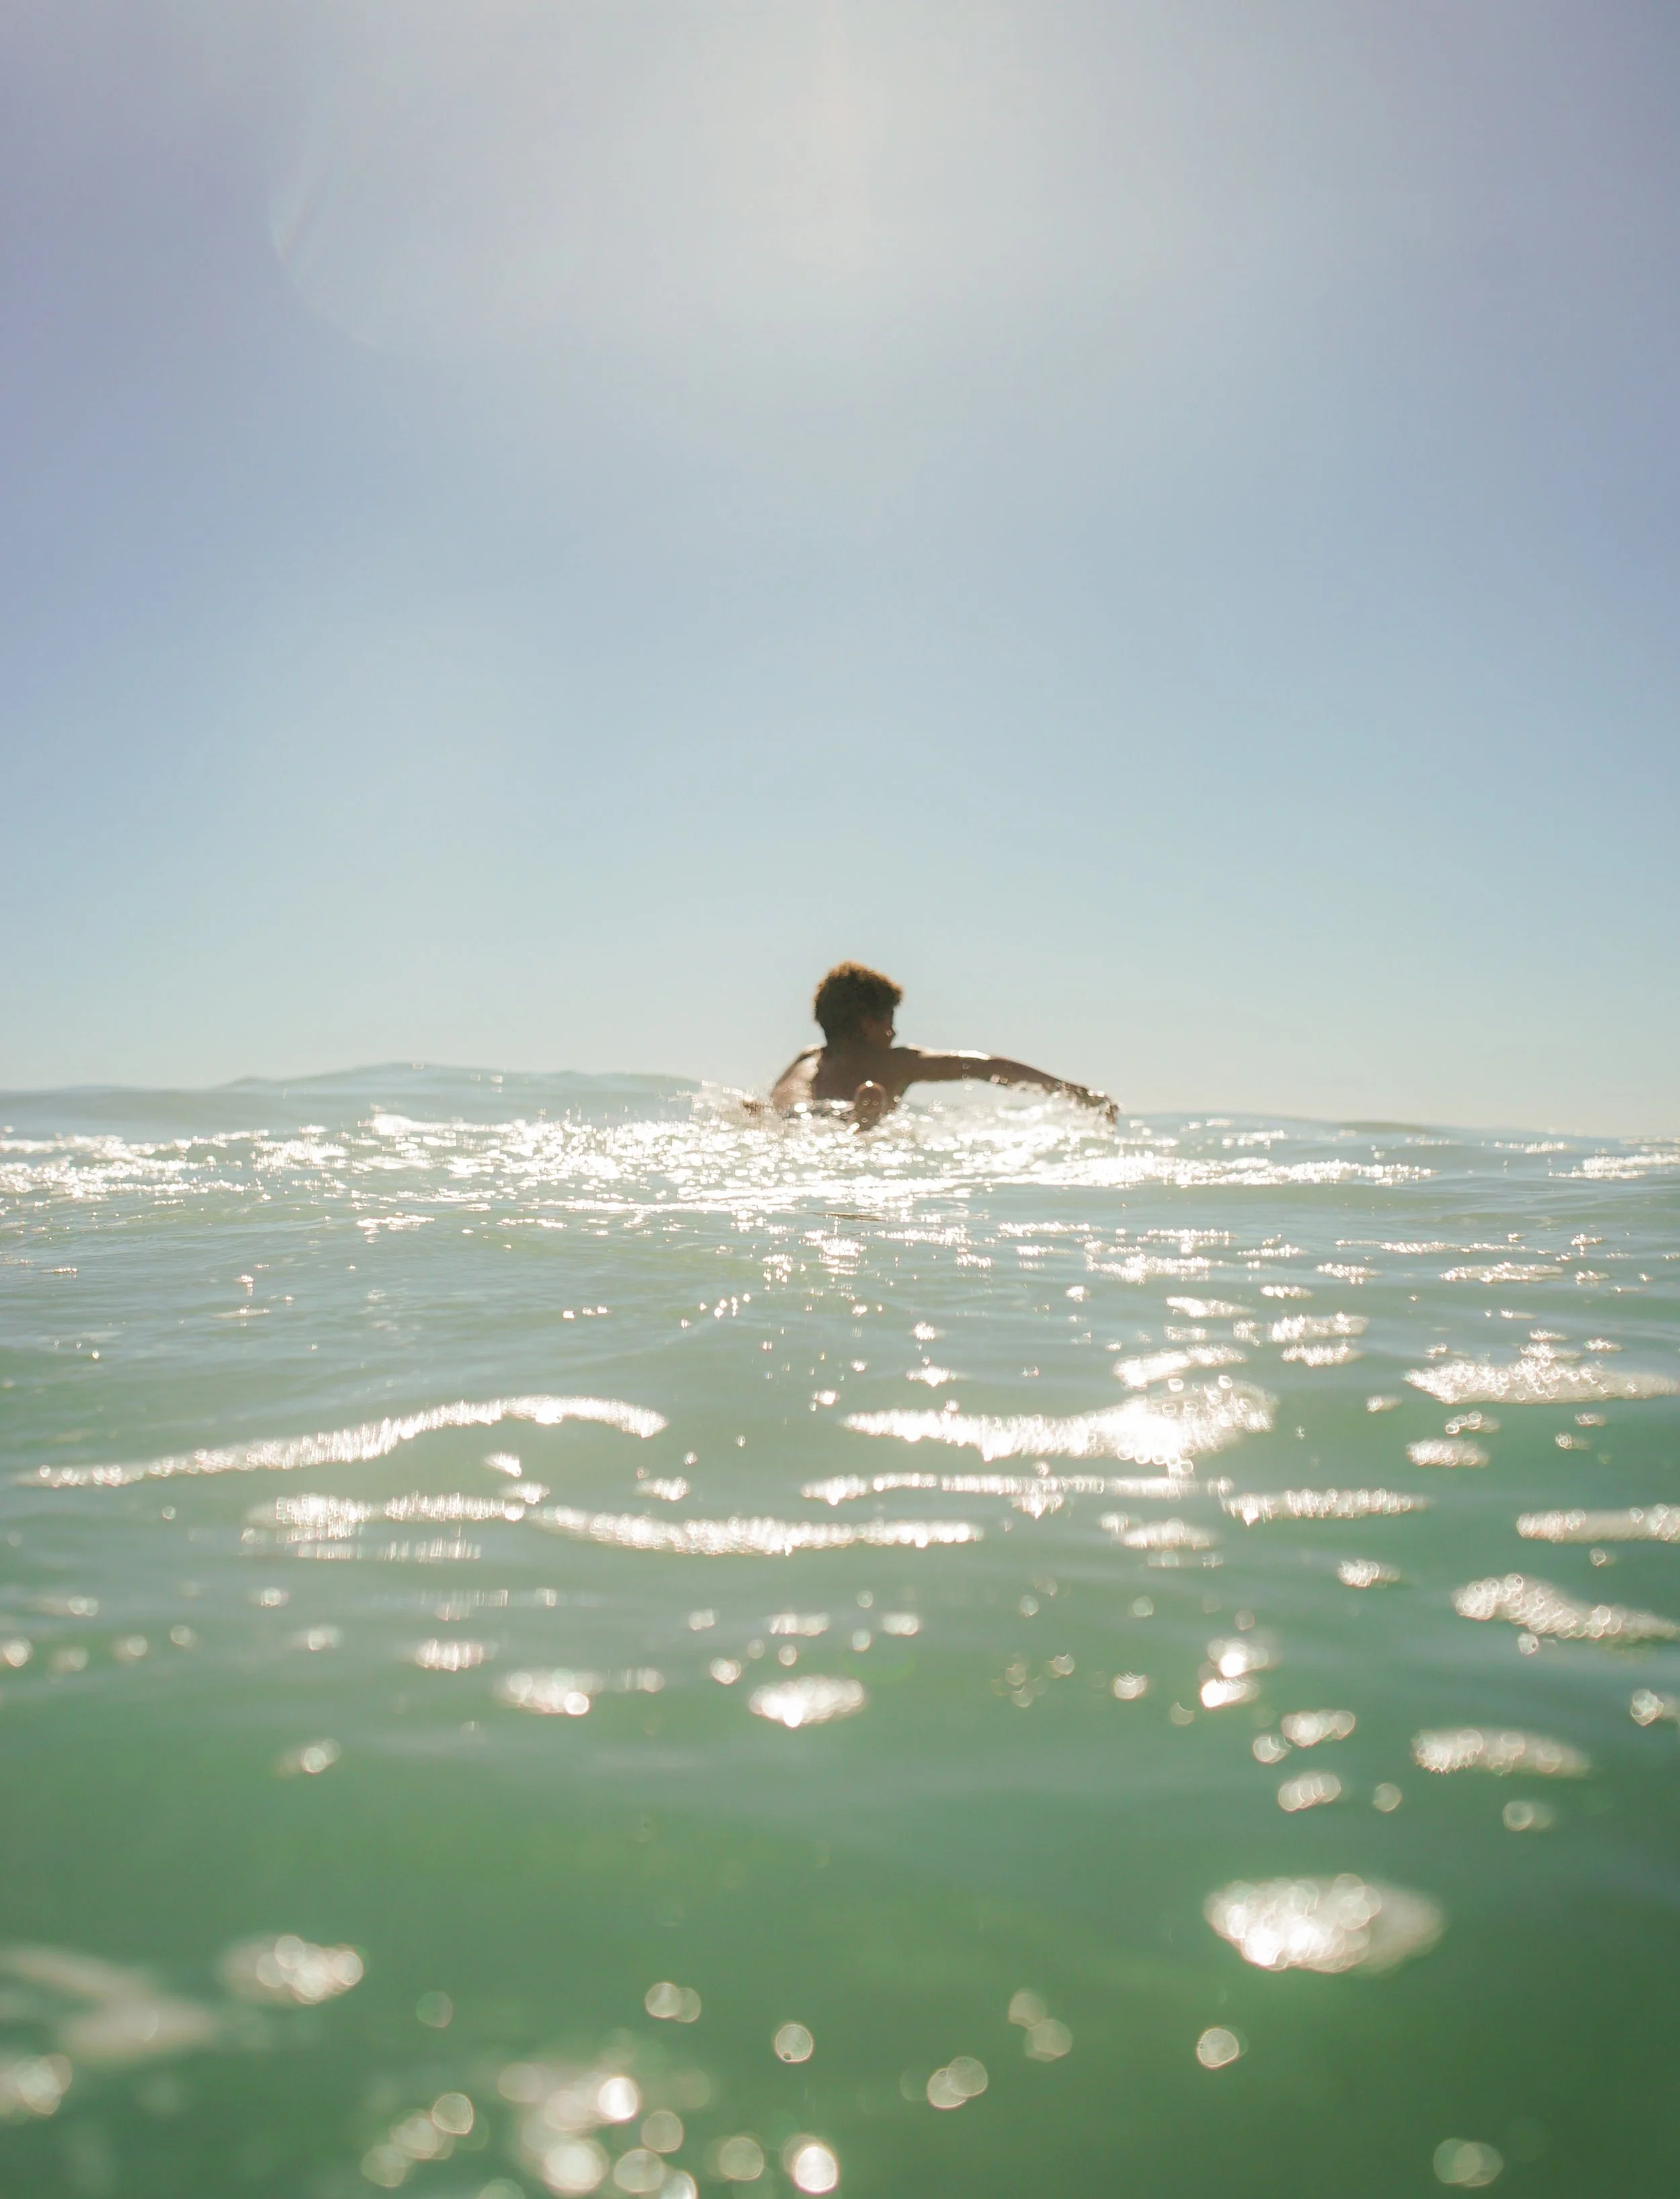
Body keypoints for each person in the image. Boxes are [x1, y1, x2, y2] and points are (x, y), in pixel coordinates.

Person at [769, 962, 1118, 1126]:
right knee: (856, 1109)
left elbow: (789, 1098)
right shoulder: (897, 1063)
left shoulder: (809, 1059)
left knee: (787, 1114)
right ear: (867, 1025)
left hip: (802, 1123)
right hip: (858, 1122)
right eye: (888, 1023)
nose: (893, 1034)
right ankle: (859, 1120)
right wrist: (1074, 1092)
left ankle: (849, 1118)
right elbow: (986, 1067)